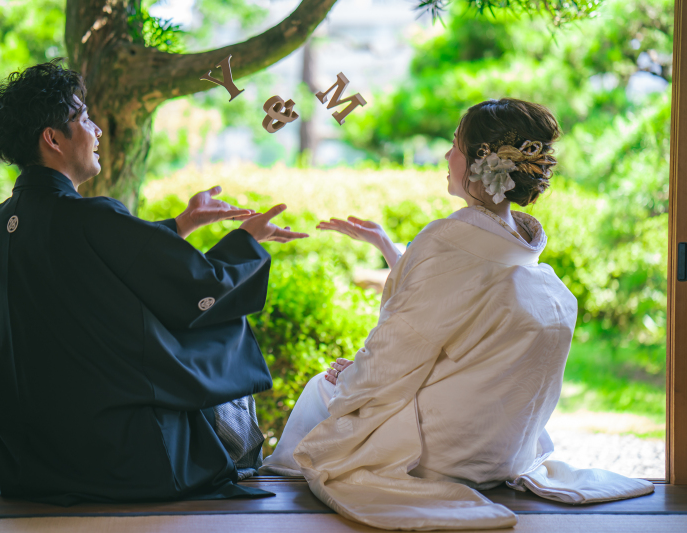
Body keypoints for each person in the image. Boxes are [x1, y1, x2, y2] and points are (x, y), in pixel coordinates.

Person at [260, 99, 653, 530]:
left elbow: (399, 345)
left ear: (483, 162)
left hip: (444, 452)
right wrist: (393, 251)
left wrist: (352, 382)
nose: (447, 156)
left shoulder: (449, 240)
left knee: (326, 390)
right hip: (503, 448)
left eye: (455, 146)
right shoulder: (520, 246)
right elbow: (458, 312)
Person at [0, 60, 307, 505]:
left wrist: (182, 223)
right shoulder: (86, 216)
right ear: (53, 139)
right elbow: (197, 290)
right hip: (117, 461)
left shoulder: (0, 224)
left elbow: (100, 258)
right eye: (84, 118)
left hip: (29, 462)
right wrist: (246, 242)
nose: (95, 131)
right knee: (219, 322)